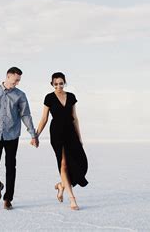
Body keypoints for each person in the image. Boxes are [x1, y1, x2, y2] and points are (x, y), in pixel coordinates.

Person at [0, 66, 39, 210]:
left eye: (19, 81)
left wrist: (33, 134)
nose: (17, 83)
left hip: (12, 135)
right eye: (15, 80)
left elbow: (25, 115)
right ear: (8, 76)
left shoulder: (20, 95)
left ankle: (8, 198)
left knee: (11, 167)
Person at [36, 72, 88, 210]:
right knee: (63, 164)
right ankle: (72, 199)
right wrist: (36, 135)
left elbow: (75, 118)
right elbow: (44, 119)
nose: (58, 86)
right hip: (57, 133)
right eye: (55, 84)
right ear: (52, 84)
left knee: (81, 164)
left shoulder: (71, 96)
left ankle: (61, 185)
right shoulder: (49, 98)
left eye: (61, 83)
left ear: (64, 82)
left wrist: (80, 137)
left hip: (71, 133)